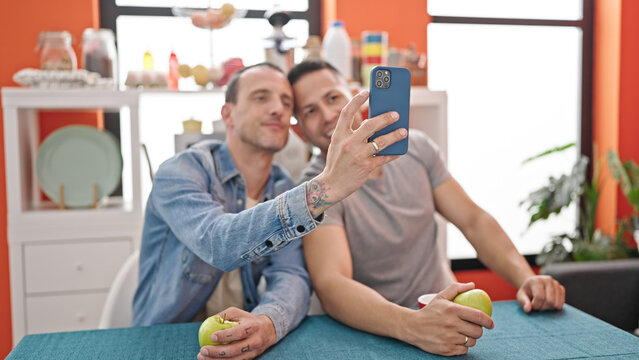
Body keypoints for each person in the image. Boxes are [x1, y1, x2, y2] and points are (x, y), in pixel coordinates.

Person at [288, 60, 566, 357]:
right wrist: (412, 325)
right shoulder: (315, 190)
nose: (329, 115)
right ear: (301, 131)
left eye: (333, 99)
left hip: (448, 316)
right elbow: (333, 283)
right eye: (310, 111)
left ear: (355, 96)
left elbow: (473, 220)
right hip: (382, 332)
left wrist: (526, 279)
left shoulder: (417, 148)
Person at [133, 62, 407, 360]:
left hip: (238, 345)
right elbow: (218, 243)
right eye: (261, 97)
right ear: (228, 114)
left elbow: (291, 275)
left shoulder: (281, 186)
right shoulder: (181, 171)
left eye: (286, 102)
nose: (278, 108)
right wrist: (325, 189)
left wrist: (267, 323)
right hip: (161, 341)